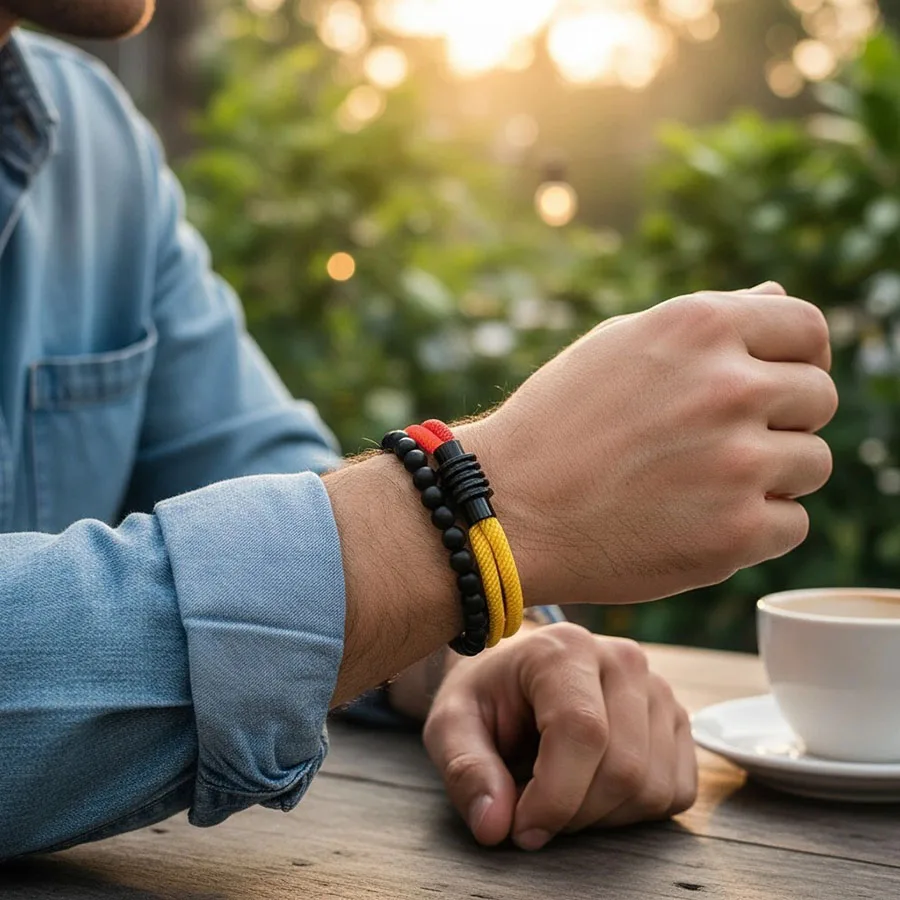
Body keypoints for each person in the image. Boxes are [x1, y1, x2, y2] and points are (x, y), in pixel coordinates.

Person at [0, 0, 837, 863]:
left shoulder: (94, 141)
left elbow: (257, 466)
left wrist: (482, 646)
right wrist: (485, 514)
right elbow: (349, 551)